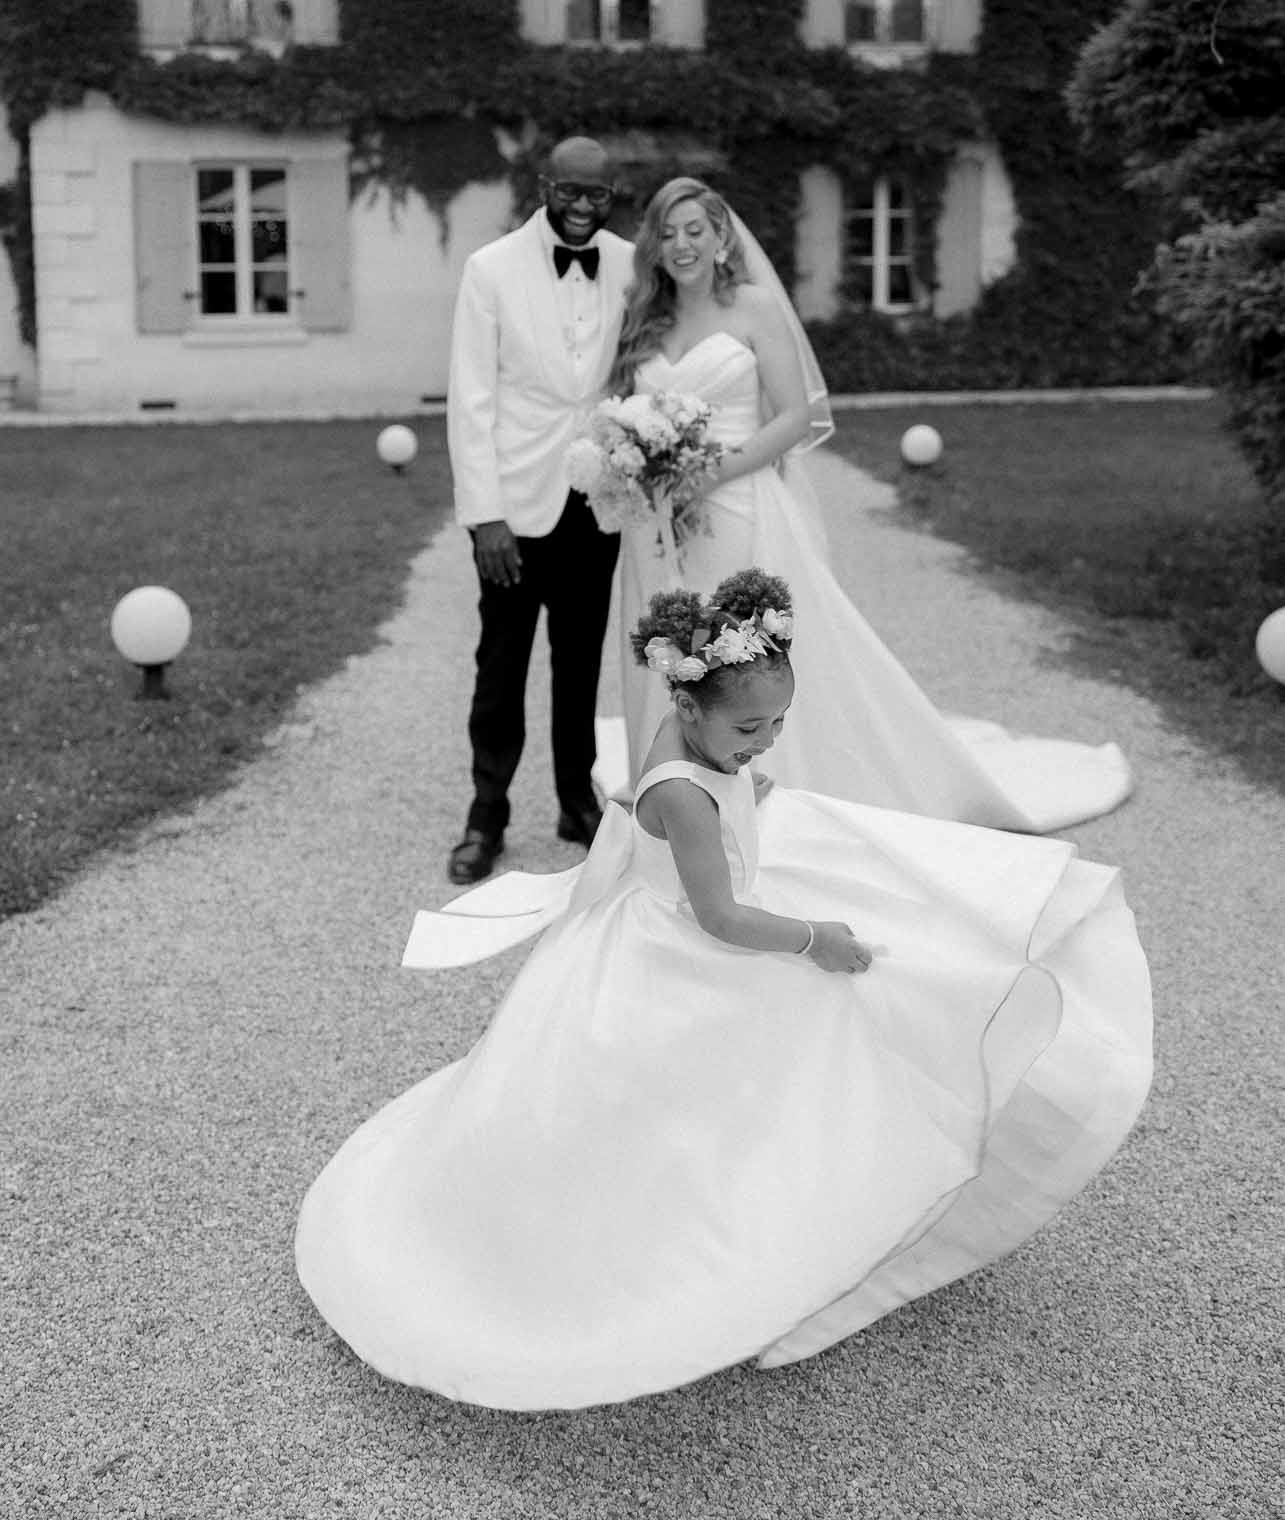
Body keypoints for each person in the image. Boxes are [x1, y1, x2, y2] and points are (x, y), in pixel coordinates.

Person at [294, 568, 1153, 1411]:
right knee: (721, 1076)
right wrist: (816, 939)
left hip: (672, 910)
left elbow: (712, 787)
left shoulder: (685, 740)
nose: (764, 739)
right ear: (689, 704)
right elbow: (721, 918)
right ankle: (701, 1253)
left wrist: (745, 774)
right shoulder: (686, 800)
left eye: (778, 721)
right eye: (749, 726)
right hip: (677, 946)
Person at [610, 177, 1133, 832]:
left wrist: (706, 474)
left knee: (737, 654)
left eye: (695, 230)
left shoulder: (753, 306)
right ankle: (673, 792)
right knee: (665, 639)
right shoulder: (645, 317)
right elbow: (624, 414)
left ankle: (759, 789)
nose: (681, 243)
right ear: (653, 244)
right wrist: (639, 469)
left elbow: (795, 416)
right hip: (655, 521)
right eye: (667, 231)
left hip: (736, 507)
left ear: (720, 238)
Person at [444, 135, 634, 885]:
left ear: (611, 197)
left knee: (580, 661)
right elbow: (471, 396)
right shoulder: (489, 270)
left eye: (598, 196)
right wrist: (483, 516)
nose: (582, 209)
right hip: (513, 510)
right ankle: (485, 813)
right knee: (500, 665)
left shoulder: (628, 263)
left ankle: (573, 801)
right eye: (570, 192)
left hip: (596, 499)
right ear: (544, 185)